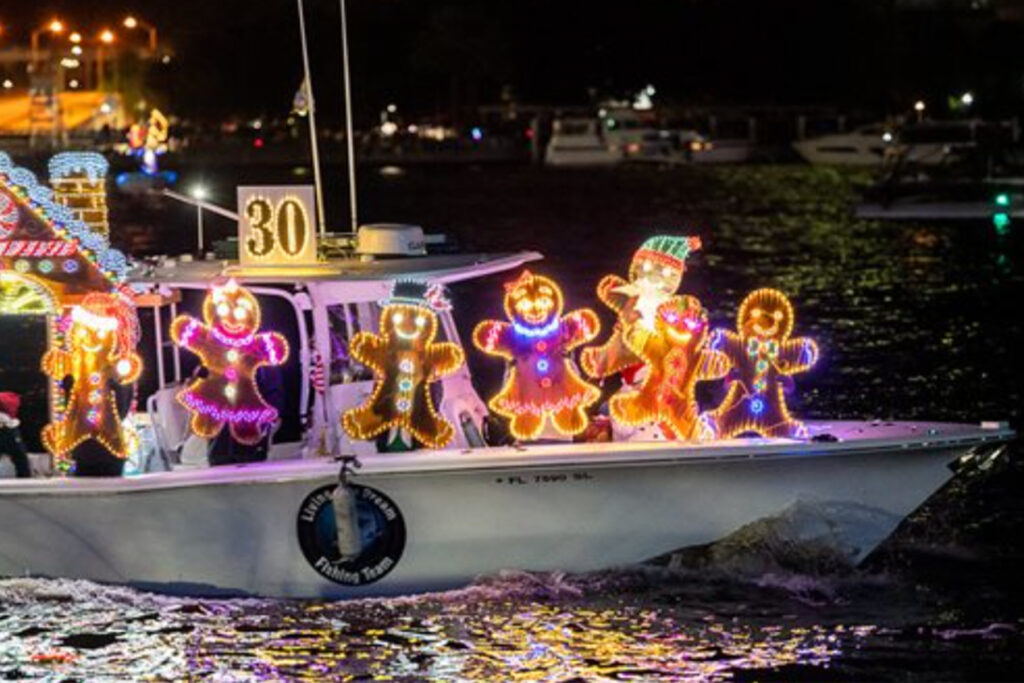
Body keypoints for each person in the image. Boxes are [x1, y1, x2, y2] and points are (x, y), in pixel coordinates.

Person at [0, 392, 31, 478]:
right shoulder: (8, 403)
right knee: (20, 456)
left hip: (9, 429)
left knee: (20, 456)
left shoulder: (7, 402)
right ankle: (25, 476)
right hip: (10, 430)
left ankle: (24, 476)